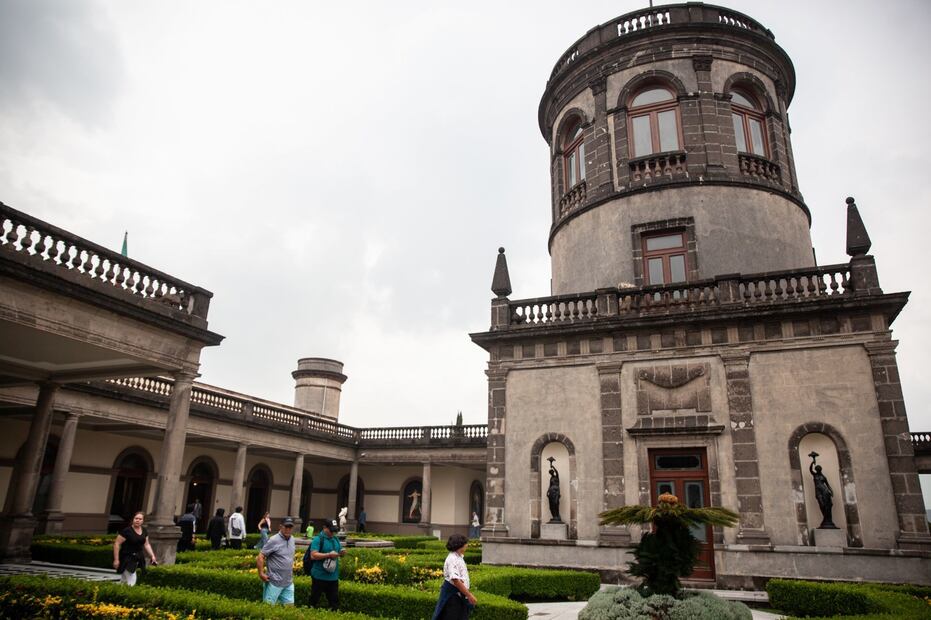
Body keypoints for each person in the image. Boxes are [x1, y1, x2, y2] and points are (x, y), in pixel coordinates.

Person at [432, 534, 476, 619]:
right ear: (460, 545)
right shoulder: (452, 559)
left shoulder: (458, 557)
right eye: (465, 543)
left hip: (458, 595)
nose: (467, 545)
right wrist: (469, 595)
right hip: (453, 597)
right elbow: (456, 581)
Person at [257, 516, 297, 606]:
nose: (288, 529)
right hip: (274, 582)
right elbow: (260, 556)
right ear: (280, 526)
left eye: (290, 527)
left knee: (290, 609)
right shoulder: (274, 540)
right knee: (268, 609)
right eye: (286, 526)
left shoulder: (292, 539)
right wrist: (261, 573)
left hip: (288, 582)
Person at [308, 519, 345, 609]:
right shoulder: (318, 539)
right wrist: (328, 555)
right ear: (324, 528)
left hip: (333, 577)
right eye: (331, 530)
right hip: (319, 576)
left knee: (334, 603)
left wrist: (341, 553)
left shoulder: (335, 539)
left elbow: (339, 550)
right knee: (314, 601)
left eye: (334, 530)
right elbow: (313, 555)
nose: (333, 533)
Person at [112, 511, 157, 586]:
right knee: (132, 578)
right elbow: (116, 544)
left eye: (140, 519)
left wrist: (152, 556)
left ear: (143, 521)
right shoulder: (127, 531)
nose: (137, 520)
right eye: (136, 518)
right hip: (127, 557)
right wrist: (116, 559)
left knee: (124, 580)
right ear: (133, 519)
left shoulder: (144, 531)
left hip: (138, 557)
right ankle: (129, 595)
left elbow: (147, 544)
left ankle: (118, 594)